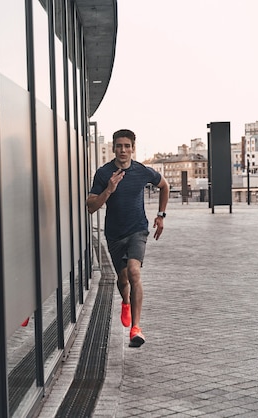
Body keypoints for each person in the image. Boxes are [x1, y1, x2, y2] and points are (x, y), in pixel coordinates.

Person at [87, 129, 169, 347]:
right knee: (122, 280)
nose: (123, 150)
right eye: (119, 146)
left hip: (138, 230)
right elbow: (91, 207)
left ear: (133, 147)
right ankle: (125, 301)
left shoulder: (142, 171)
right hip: (114, 234)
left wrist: (161, 216)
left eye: (127, 146)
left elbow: (165, 186)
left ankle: (136, 328)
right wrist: (109, 190)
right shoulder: (104, 174)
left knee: (134, 272)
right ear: (114, 148)